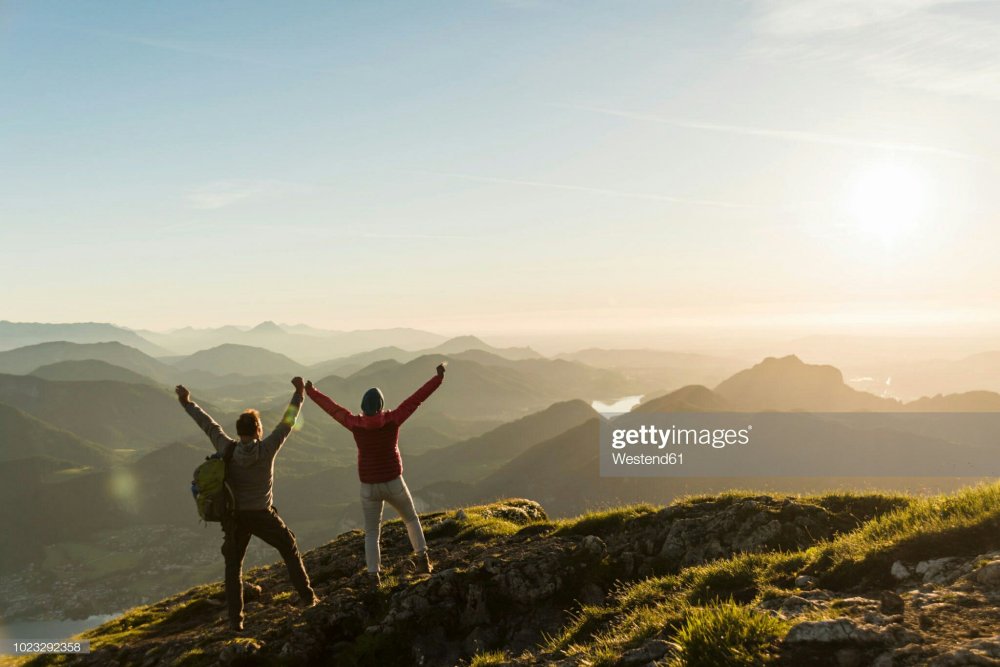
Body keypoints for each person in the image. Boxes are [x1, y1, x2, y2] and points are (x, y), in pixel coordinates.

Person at [175, 377, 318, 631]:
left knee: (233, 566)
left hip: (235, 517)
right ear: (257, 430)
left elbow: (208, 425)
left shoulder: (226, 448)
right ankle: (308, 598)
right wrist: (299, 393)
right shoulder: (267, 449)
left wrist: (187, 403)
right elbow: (288, 421)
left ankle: (235, 621)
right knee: (290, 548)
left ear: (239, 431)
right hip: (262, 514)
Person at [306, 363, 446, 587]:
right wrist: (437, 378)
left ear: (363, 406)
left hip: (369, 487)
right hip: (394, 482)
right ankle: (423, 560)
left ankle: (374, 576)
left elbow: (332, 409)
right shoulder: (393, 419)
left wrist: (311, 391)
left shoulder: (355, 424)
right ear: (381, 405)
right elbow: (416, 399)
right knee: (410, 519)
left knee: (372, 532)